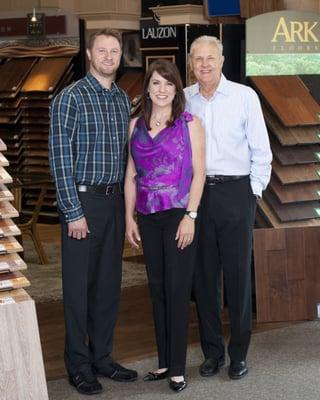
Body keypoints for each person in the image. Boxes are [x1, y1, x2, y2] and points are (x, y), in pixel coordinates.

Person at [48, 28, 137, 396]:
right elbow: (59, 158)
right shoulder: (69, 98)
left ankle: (102, 357)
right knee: (79, 289)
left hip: (114, 204)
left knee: (107, 287)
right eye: (102, 50)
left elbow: (127, 158)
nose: (109, 56)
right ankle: (79, 365)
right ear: (89, 53)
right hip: (82, 204)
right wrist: (72, 211)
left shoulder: (121, 99)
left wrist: (129, 211)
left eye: (114, 51)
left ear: (120, 56)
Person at [184, 36, 272, 380]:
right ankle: (212, 352)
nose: (204, 65)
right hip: (197, 195)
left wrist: (252, 194)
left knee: (237, 277)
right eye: (198, 59)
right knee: (204, 279)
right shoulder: (185, 99)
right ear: (191, 63)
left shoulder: (244, 97)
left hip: (236, 192)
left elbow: (261, 150)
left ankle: (239, 353)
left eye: (211, 58)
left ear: (222, 60)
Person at [125, 59, 205, 392]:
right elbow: (131, 174)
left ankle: (177, 368)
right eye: (155, 83)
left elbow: (199, 173)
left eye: (168, 84)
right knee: (156, 290)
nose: (161, 90)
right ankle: (163, 361)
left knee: (176, 290)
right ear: (147, 88)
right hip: (147, 215)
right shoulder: (134, 125)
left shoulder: (190, 124)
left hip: (177, 214)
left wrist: (191, 215)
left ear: (177, 89)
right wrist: (128, 217)